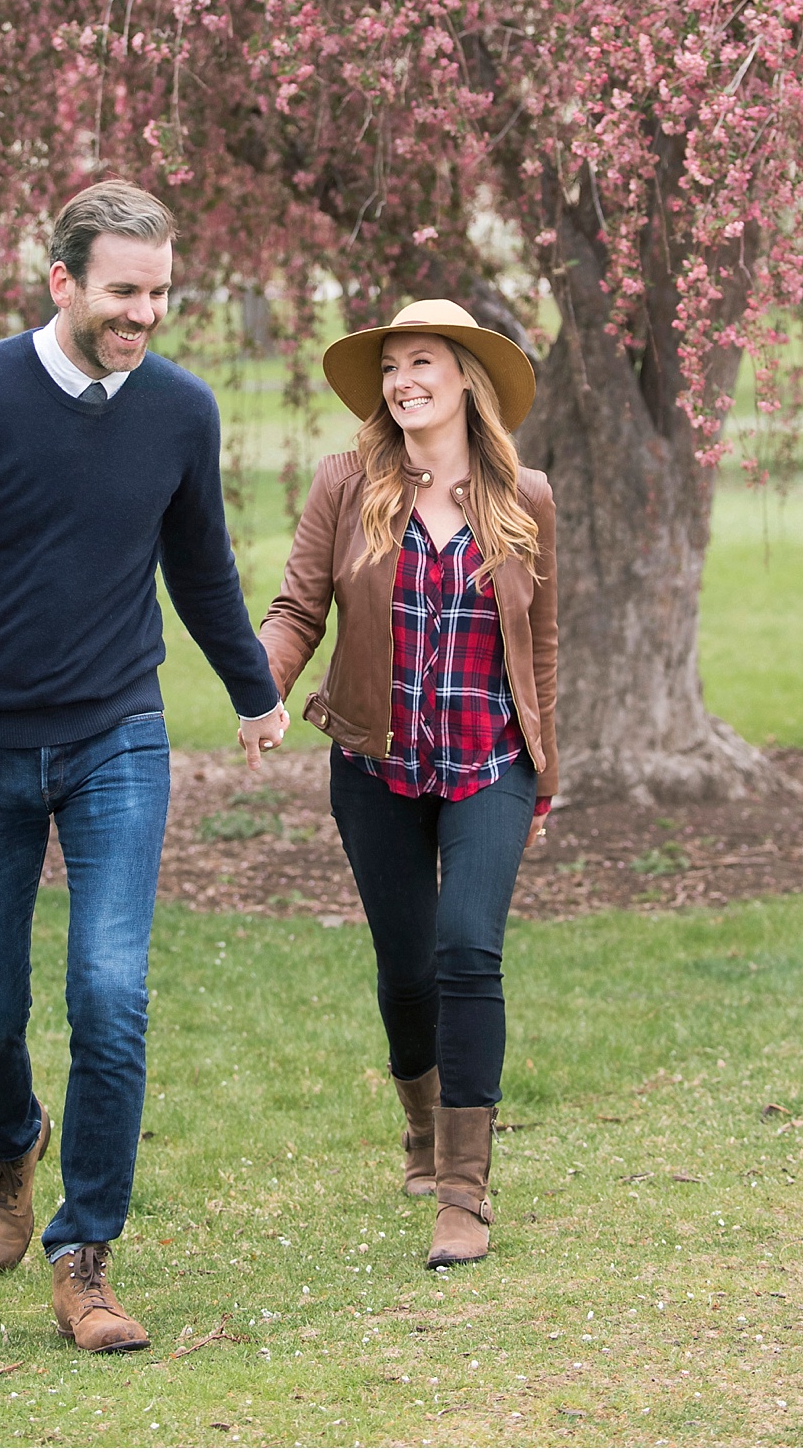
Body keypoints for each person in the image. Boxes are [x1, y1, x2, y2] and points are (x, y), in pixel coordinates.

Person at [0, 181, 289, 1350]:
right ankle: (12, 1141)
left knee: (113, 990)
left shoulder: (180, 412)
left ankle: (85, 1253)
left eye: (159, 294)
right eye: (121, 292)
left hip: (117, 735)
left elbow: (199, 564)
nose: (142, 315)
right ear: (61, 280)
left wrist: (253, 688)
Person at [259, 300, 556, 1270]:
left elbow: (540, 646)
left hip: (489, 764)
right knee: (408, 967)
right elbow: (300, 606)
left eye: (421, 361)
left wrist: (545, 770)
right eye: (391, 366)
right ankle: (423, 1129)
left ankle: (464, 1193)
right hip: (375, 768)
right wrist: (261, 685)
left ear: (466, 376)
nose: (401, 380)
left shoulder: (527, 499)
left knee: (468, 947)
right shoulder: (348, 484)